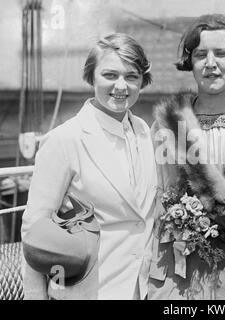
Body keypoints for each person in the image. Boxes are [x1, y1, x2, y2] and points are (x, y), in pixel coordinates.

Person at [21, 33, 157, 299]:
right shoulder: (65, 140)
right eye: (110, 75)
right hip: (90, 291)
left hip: (144, 289)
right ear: (91, 77)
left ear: (142, 81)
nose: (121, 86)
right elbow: (34, 232)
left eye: (131, 76)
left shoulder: (144, 131)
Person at [147, 14, 225, 300]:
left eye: (222, 53)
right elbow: (153, 193)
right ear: (190, 61)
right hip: (178, 263)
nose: (211, 63)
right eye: (201, 54)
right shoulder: (167, 125)